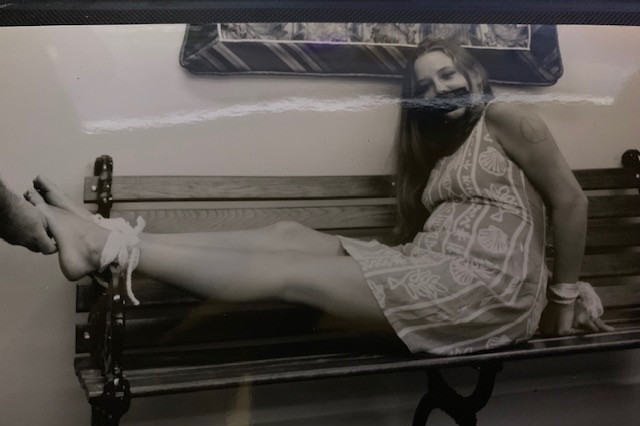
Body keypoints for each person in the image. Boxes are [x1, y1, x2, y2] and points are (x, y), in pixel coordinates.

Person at [10, 38, 611, 357]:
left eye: (449, 75)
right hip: (435, 267)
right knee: (288, 237)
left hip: (488, 290)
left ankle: (103, 249)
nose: (440, 89)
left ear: (475, 77)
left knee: (293, 273)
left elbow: (571, 203)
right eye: (425, 86)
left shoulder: (508, 119)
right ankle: (105, 235)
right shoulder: (441, 154)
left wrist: (563, 298)